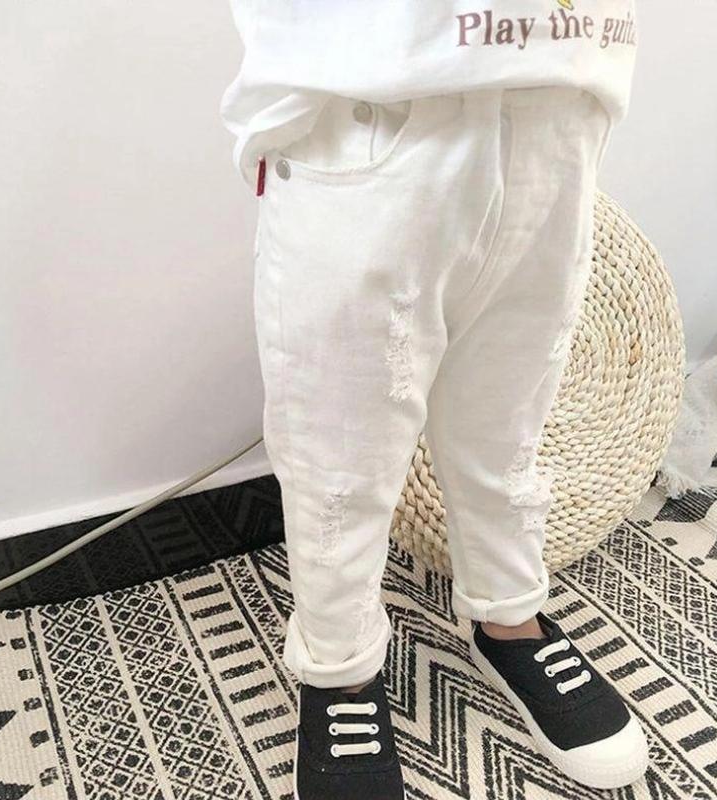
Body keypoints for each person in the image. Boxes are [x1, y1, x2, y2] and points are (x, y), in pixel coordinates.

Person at [221, 2, 649, 797]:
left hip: (561, 101)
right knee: (340, 450)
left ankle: (508, 614)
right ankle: (342, 667)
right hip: (376, 105)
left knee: (507, 423)